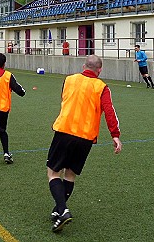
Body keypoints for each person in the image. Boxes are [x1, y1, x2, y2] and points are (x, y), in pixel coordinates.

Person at [46, 54, 122, 232]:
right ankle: (59, 210)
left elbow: (64, 100)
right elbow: (109, 111)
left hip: (65, 130)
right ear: (100, 70)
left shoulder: (69, 80)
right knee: (70, 175)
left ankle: (63, 210)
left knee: (53, 173)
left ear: (83, 66)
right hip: (86, 137)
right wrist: (115, 135)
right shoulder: (102, 87)